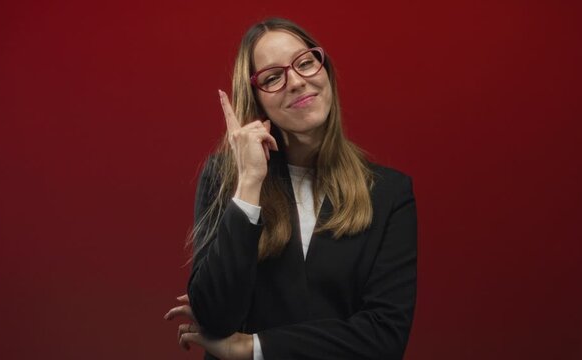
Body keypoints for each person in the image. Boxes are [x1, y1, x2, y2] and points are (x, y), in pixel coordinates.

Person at [165, 17, 417, 360]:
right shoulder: (227, 177)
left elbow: (384, 338)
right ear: (256, 101)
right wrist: (250, 182)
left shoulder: (390, 193)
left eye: (305, 62)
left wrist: (252, 347)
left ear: (324, 70)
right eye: (272, 77)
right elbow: (214, 316)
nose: (296, 82)